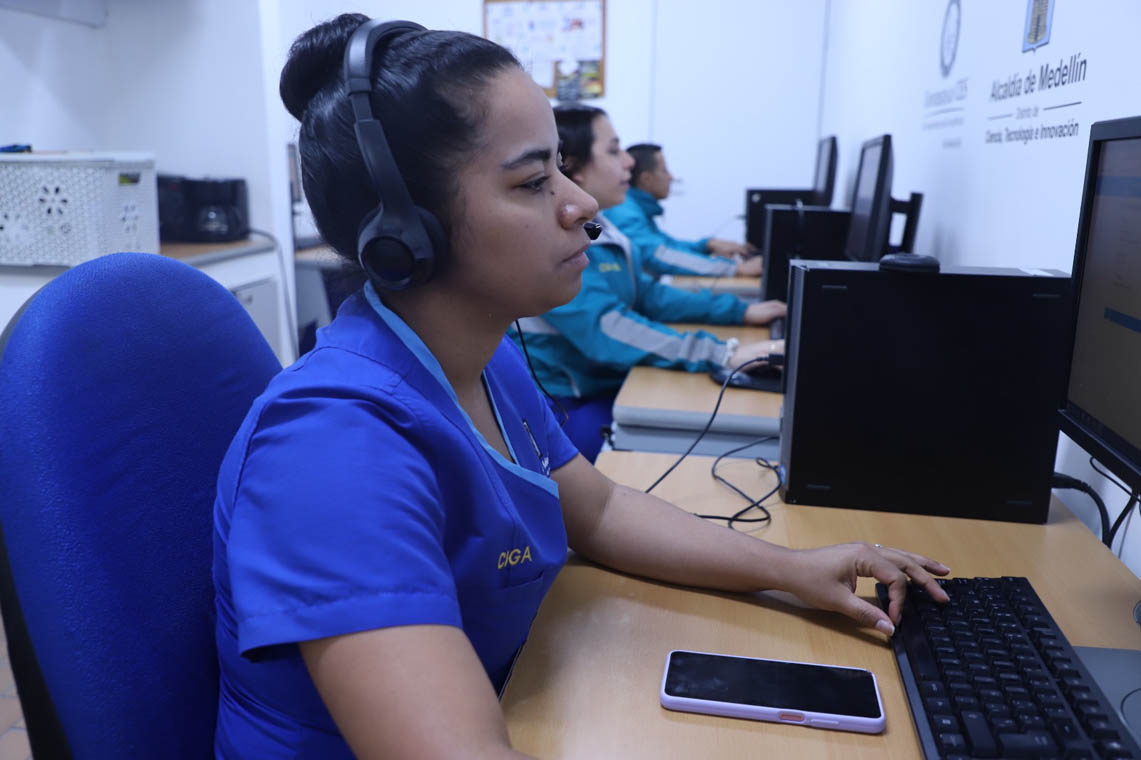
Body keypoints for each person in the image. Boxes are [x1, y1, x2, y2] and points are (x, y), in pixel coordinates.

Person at [212, 15, 950, 759]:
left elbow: (598, 511)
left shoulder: (485, 358)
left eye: (562, 169)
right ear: (407, 234)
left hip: (521, 693)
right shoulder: (333, 449)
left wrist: (792, 570)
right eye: (534, 181)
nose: (583, 204)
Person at [511, 104, 785, 461]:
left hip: (605, 380)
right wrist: (722, 353)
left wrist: (739, 312)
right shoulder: (549, 241)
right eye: (614, 151)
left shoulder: (601, 226)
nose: (629, 162)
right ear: (573, 167)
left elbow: (649, 294)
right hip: (566, 405)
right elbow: (607, 329)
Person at [605, 142, 762, 277]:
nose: (671, 177)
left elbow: (668, 245)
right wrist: (735, 269)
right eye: (665, 170)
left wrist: (707, 245)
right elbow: (659, 254)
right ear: (647, 179)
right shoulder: (625, 212)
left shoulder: (636, 209)